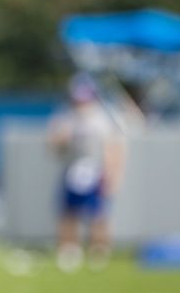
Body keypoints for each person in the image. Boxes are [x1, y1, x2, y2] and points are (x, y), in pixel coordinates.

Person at [47, 73, 126, 272]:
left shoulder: (102, 118)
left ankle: (99, 249)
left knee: (98, 213)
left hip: (94, 169)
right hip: (72, 170)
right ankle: (69, 249)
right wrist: (60, 139)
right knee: (68, 212)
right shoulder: (66, 117)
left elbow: (113, 147)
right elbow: (54, 147)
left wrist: (112, 174)